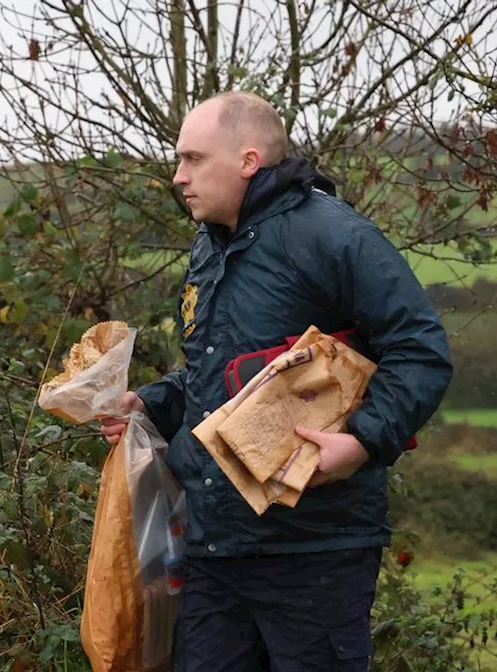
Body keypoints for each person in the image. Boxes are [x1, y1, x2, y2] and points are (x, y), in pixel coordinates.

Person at [99, 90, 452, 671]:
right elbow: (217, 374)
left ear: (248, 160)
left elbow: (420, 350)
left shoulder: (334, 235)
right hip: (215, 545)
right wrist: (151, 402)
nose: (177, 176)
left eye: (193, 159)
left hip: (313, 549)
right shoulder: (209, 247)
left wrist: (361, 442)